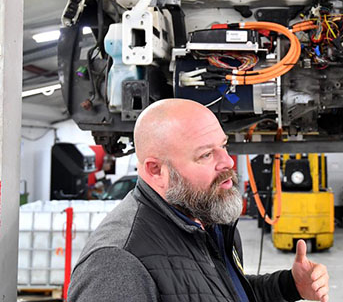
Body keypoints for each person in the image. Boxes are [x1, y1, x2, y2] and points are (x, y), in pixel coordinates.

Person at [68, 99, 329, 302]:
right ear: (156, 171)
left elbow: (222, 292)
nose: (227, 162)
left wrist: (289, 286)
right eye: (205, 155)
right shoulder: (117, 265)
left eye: (224, 146)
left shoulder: (205, 216)